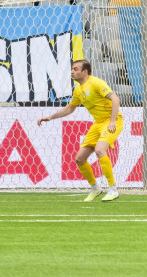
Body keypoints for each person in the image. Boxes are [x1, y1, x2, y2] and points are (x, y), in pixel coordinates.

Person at [37, 59, 120, 202]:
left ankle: (112, 189)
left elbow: (115, 99)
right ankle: (95, 188)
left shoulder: (96, 83)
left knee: (100, 150)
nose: (72, 71)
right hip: (98, 123)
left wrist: (112, 121)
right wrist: (51, 117)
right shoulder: (78, 89)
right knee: (79, 159)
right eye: (72, 69)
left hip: (112, 121)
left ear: (85, 72)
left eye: (76, 69)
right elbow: (70, 108)